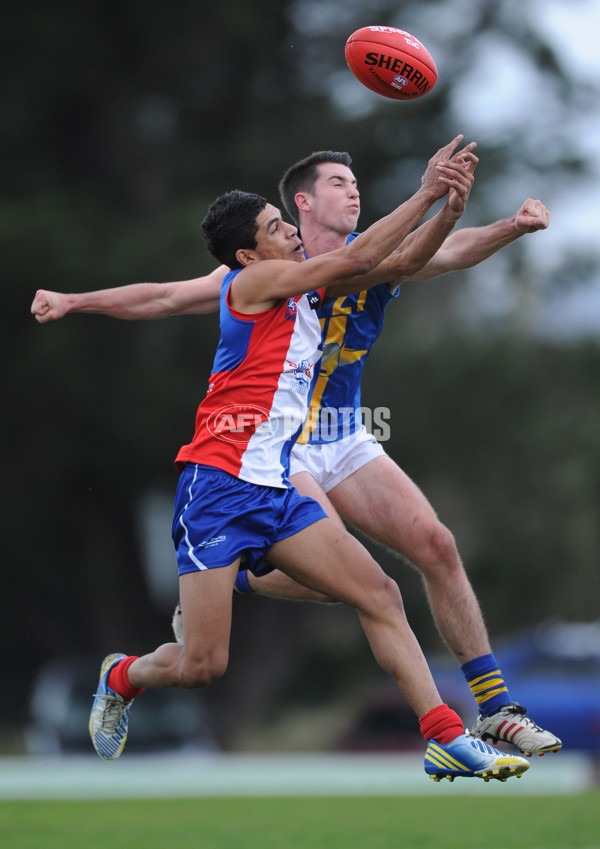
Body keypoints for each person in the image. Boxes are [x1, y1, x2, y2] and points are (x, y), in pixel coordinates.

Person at [30, 141, 559, 758]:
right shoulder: (266, 271)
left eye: (357, 181)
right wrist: (76, 301)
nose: (355, 189)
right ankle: (227, 573)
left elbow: (435, 254)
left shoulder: (371, 253)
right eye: (339, 181)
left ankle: (488, 714)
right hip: (278, 448)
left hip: (345, 432)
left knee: (427, 550)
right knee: (344, 585)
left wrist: (503, 225)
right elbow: (166, 297)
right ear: (302, 202)